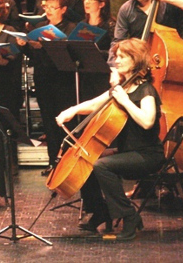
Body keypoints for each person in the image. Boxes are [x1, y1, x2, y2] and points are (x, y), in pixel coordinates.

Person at [55, 38, 163, 240]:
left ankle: (129, 216)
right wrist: (71, 110)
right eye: (117, 56)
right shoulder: (123, 87)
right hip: (127, 151)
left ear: (136, 60)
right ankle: (101, 211)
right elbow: (95, 104)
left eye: (122, 57)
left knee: (103, 166)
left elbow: (147, 122)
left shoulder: (146, 90)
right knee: (86, 160)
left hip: (147, 154)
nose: (117, 61)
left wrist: (125, 102)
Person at [16, 0, 77, 175]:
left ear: (63, 9)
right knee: (49, 123)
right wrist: (26, 46)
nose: (48, 10)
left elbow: (72, 56)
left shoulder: (71, 28)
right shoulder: (40, 27)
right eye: (46, 6)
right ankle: (53, 162)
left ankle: (68, 162)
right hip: (43, 79)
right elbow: (34, 57)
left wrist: (51, 45)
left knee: (66, 123)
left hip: (63, 81)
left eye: (53, 7)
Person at [110, 0, 183, 67]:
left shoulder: (169, 4)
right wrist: (113, 67)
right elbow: (117, 42)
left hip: (171, 62)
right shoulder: (126, 9)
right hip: (139, 65)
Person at [80, 0, 116, 100]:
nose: (87, 2)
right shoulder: (82, 24)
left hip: (103, 74)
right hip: (85, 74)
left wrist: (97, 52)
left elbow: (115, 51)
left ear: (101, 4)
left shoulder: (110, 25)